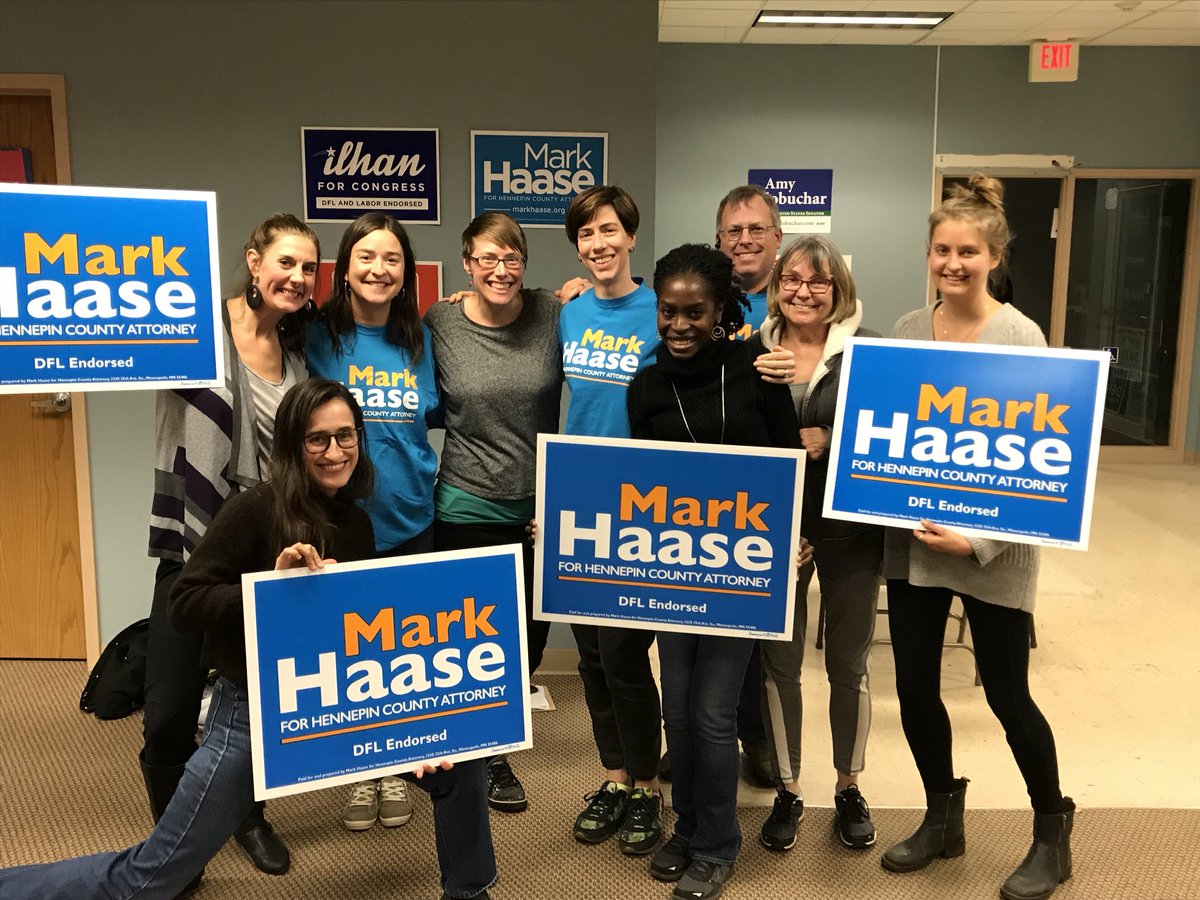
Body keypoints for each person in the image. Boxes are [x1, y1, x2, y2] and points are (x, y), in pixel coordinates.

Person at [0, 380, 496, 900]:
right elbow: (184, 601)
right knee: (150, 877)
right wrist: (269, 591)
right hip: (253, 715)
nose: (335, 451)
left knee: (459, 761)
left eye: (345, 435)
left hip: (336, 703)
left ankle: (469, 891)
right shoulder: (255, 508)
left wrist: (417, 730)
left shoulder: (354, 523)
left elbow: (360, 633)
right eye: (317, 439)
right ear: (293, 445)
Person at [880, 175, 1076, 900]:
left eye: (967, 251)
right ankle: (941, 818)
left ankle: (1052, 834)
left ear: (993, 256)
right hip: (913, 544)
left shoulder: (1021, 336)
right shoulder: (906, 329)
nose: (953, 263)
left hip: (994, 552)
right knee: (913, 689)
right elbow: (888, 434)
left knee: (1007, 694)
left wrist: (980, 542)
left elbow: (1038, 459)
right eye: (942, 250)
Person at [140, 212, 318, 879]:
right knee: (167, 715)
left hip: (262, 549)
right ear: (253, 260)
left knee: (255, 706)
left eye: (308, 268)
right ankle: (171, 849)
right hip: (193, 547)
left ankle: (249, 814)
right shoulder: (190, 329)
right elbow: (114, 338)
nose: (297, 277)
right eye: (285, 262)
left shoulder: (298, 354)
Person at [627, 244, 801, 900]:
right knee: (676, 712)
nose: (679, 325)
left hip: (741, 578)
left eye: (694, 312)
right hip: (673, 575)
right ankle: (689, 826)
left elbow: (790, 463)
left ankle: (719, 843)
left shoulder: (758, 373)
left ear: (721, 310)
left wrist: (798, 540)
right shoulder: (646, 386)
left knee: (710, 714)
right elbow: (636, 485)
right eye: (668, 312)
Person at [746, 235, 884, 852]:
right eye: (793, 280)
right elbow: (735, 435)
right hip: (776, 528)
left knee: (848, 663)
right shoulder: (754, 351)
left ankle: (849, 786)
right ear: (777, 287)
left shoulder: (868, 352)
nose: (804, 291)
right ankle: (789, 788)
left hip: (851, 527)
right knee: (779, 663)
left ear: (838, 290)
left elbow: (894, 433)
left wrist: (833, 437)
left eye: (818, 281)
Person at [424, 211, 563, 815]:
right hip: (466, 501)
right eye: (487, 258)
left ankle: (498, 731)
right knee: (472, 637)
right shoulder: (441, 320)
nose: (500, 270)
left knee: (528, 640)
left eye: (511, 258)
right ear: (467, 264)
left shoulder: (553, 312)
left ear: (524, 264)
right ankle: (489, 754)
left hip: (539, 506)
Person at [306, 212, 441, 832]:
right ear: (344, 267)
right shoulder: (317, 336)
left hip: (411, 514)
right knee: (352, 653)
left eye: (392, 258)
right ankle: (361, 771)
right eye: (366, 257)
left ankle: (397, 767)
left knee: (405, 650)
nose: (378, 269)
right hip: (341, 520)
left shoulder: (421, 338)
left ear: (406, 271)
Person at [557, 185, 667, 856]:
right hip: (577, 499)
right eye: (586, 234)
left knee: (625, 655)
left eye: (607, 230)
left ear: (630, 235)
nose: (597, 244)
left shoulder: (659, 309)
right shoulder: (568, 312)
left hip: (637, 508)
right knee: (592, 657)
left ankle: (648, 786)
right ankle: (615, 777)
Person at [714, 184, 784, 338]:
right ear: (719, 240)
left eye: (757, 229)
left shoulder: (799, 303)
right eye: (734, 231)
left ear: (777, 237)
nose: (745, 240)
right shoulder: (701, 301)